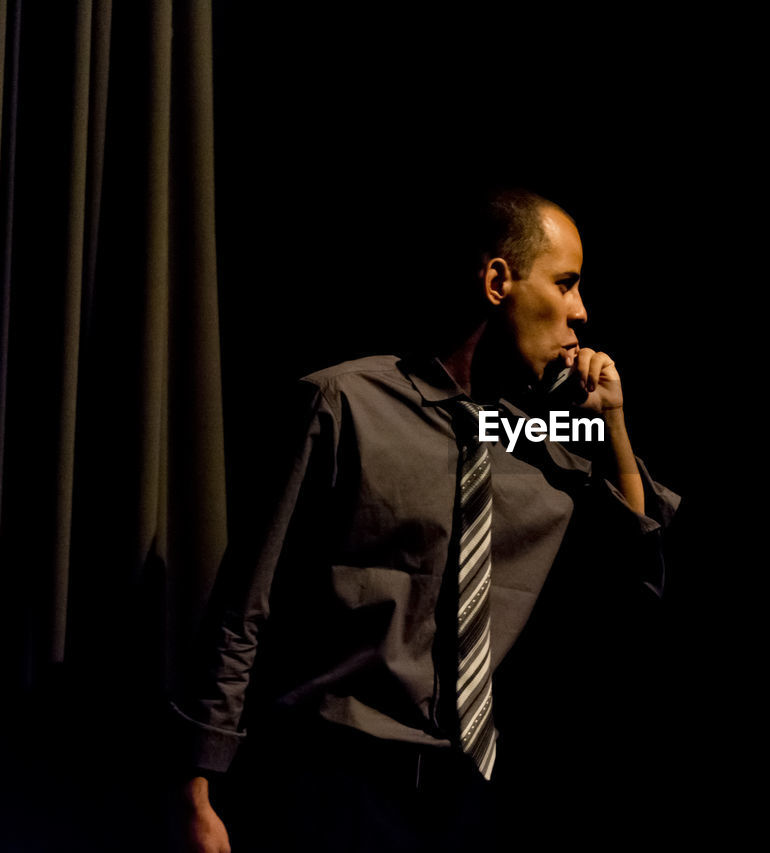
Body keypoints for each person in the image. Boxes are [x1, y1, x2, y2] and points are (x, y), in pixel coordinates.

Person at [171, 189, 680, 852]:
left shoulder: (545, 442)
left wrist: (610, 423)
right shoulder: (342, 403)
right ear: (499, 281)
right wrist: (196, 783)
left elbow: (634, 575)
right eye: (566, 282)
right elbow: (246, 602)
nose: (581, 311)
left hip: (471, 797)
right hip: (333, 779)